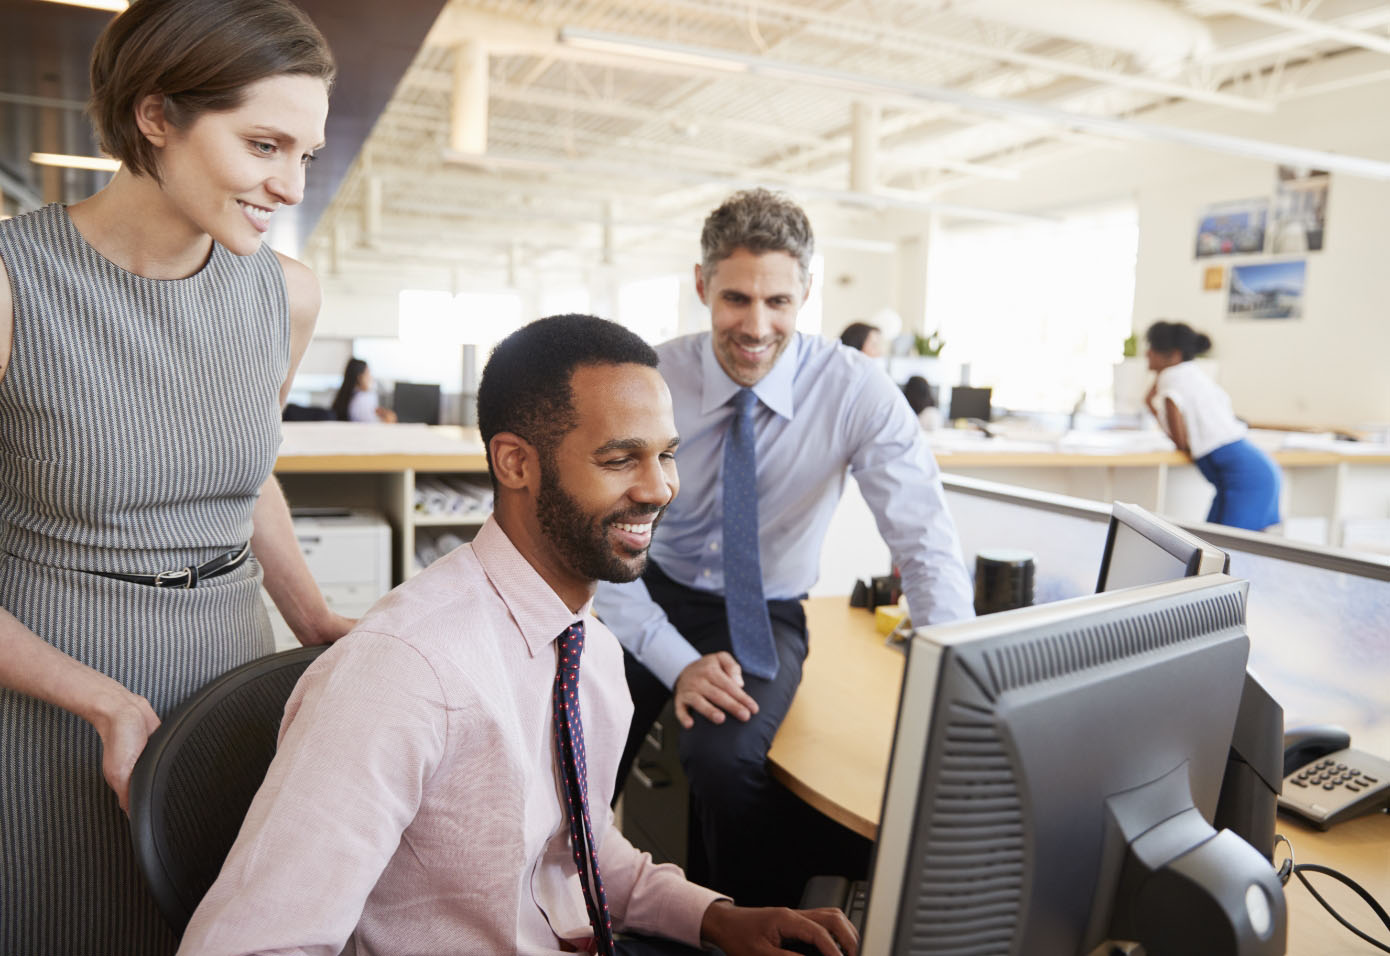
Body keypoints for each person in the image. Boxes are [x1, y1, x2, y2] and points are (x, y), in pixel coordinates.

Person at [178, 314, 859, 956]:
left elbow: (581, 850)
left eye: (666, 455)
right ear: (515, 464)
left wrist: (717, 918)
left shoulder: (588, 648)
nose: (659, 490)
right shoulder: (405, 673)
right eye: (621, 460)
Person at [0, 1, 353, 951]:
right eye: (264, 144)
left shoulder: (285, 294)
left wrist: (316, 620)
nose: (288, 183)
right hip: (54, 688)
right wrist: (104, 702)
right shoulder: (11, 284)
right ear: (156, 115)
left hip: (227, 671)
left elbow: (244, 470)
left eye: (305, 154)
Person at [595, 188, 975, 906]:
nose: (756, 326)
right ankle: (560, 907)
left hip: (761, 609)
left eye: (779, 302)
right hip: (644, 589)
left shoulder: (857, 392)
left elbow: (924, 543)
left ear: (806, 292)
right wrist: (678, 664)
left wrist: (961, 690)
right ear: (703, 284)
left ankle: (738, 924)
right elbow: (601, 543)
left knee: (723, 759)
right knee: (575, 745)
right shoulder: (649, 378)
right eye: (736, 298)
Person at [1144, 320, 1281, 531]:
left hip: (1246, 479)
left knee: (1225, 549)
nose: (1147, 354)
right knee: (1214, 544)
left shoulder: (1172, 378)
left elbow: (1179, 438)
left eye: (1152, 349)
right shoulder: (1187, 373)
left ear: (1174, 355)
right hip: (1253, 472)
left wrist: (1152, 404)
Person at [330, 357, 397, 422]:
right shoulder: (364, 398)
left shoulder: (346, 398)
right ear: (360, 378)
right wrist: (388, 421)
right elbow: (372, 426)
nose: (371, 377)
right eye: (368, 373)